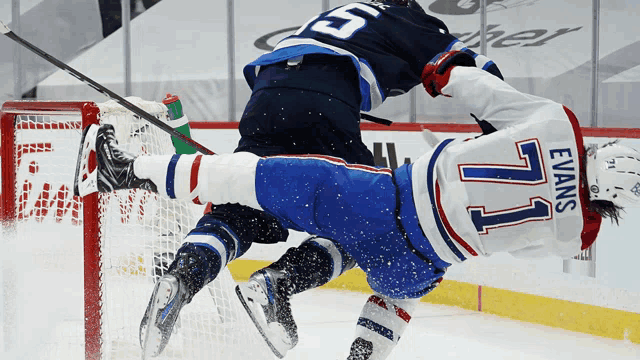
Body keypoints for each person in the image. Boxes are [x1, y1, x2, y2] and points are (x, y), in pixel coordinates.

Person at [74, 49, 632, 359]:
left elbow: (467, 83)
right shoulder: (575, 232)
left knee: (255, 178)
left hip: (387, 201)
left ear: (601, 151)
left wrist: (448, 69)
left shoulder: (557, 123)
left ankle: (124, 171)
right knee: (389, 280)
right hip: (424, 263)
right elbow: (526, 243)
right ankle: (312, 314)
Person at [121, 1, 506, 358]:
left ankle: (182, 276)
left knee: (246, 204)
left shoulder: (352, 10)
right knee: (370, 220)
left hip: (268, 94)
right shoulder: (409, 19)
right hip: (325, 96)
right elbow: (474, 69)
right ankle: (277, 283)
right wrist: (499, 137)